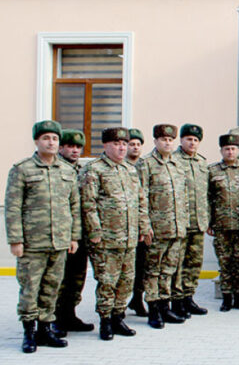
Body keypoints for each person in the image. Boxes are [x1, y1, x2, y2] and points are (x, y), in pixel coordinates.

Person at [5, 120, 81, 353]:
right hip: (32, 243)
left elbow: (74, 206)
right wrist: (15, 240)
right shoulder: (22, 169)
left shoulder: (67, 170)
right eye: (46, 138)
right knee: (30, 287)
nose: (51, 142)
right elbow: (12, 207)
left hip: (59, 241)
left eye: (54, 139)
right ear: (37, 141)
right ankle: (29, 332)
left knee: (52, 287)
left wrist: (73, 237)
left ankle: (45, 329)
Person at [80, 127, 150, 341]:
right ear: (106, 145)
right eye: (116, 144)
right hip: (106, 239)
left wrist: (143, 227)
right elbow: (88, 204)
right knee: (107, 281)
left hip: (129, 237)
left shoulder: (130, 169)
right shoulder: (94, 170)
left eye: (124, 144)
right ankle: (106, 320)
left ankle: (119, 316)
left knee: (126, 280)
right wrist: (95, 232)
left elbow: (140, 200)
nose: (121, 148)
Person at [137, 124, 189, 328]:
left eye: (170, 139)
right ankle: (153, 309)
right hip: (156, 229)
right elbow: (142, 198)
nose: (167, 143)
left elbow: (183, 197)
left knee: (169, 269)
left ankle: (165, 306)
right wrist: (144, 226)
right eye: (163, 139)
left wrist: (183, 223)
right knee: (153, 270)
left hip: (176, 228)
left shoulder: (177, 164)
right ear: (156, 141)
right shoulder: (146, 164)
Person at [208, 134, 239, 312]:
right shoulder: (212, 171)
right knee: (225, 262)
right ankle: (227, 297)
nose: (230, 151)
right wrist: (209, 222)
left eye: (233, 148)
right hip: (221, 225)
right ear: (221, 150)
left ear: (238, 150)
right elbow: (208, 199)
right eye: (226, 148)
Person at [53, 129, 93, 333]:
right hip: (61, 234)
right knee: (60, 277)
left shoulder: (84, 170)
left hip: (82, 234)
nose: (75, 150)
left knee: (77, 277)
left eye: (78, 147)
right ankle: (56, 318)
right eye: (70, 146)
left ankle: (70, 314)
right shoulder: (55, 169)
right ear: (61, 148)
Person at [172, 124, 210, 319]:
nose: (192, 142)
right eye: (188, 139)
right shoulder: (173, 161)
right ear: (181, 140)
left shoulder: (202, 163)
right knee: (177, 263)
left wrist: (208, 219)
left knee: (194, 263)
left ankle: (189, 297)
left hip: (198, 222)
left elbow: (207, 194)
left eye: (195, 140)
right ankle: (176, 300)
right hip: (180, 223)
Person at [126, 128, 150, 317]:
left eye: (138, 144)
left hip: (143, 223)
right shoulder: (120, 165)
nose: (135, 147)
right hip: (124, 224)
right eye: (131, 144)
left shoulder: (146, 165)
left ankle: (137, 298)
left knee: (142, 264)